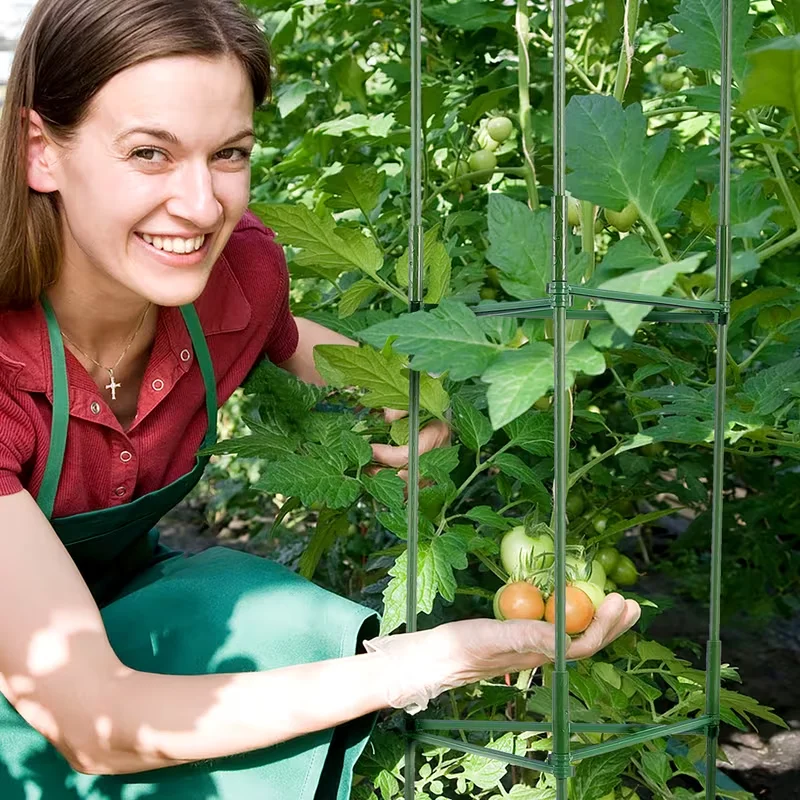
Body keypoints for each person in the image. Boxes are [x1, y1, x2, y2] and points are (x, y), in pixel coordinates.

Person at [0, 0, 641, 798]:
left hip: (114, 617)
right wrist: (429, 663)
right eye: (149, 153)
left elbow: (284, 333)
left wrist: (407, 393)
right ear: (40, 151)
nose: (202, 207)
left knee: (268, 621)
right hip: (59, 690)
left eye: (228, 153)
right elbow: (96, 722)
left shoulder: (230, 273)